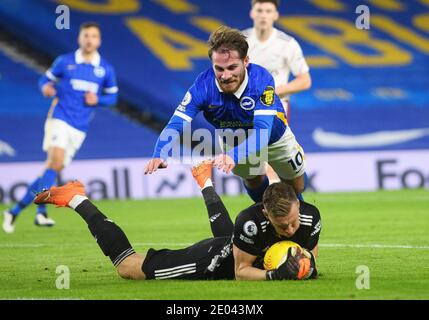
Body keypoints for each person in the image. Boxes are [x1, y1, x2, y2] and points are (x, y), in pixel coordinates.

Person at [34, 161, 320, 281]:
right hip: (213, 262)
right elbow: (240, 271)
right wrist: (273, 275)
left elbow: (313, 264)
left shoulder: (310, 216)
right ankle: (75, 198)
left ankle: (204, 178)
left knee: (236, 239)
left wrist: (306, 268)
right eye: (284, 227)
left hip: (237, 245)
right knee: (127, 267)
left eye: (294, 222)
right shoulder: (250, 221)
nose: (292, 230)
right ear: (265, 213)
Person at [144, 25, 307, 204]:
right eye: (219, 69)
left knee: (296, 186)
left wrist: (233, 156)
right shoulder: (202, 87)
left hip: (274, 135)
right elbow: (177, 122)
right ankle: (266, 215)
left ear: (246, 61)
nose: (225, 75)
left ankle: (297, 210)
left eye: (232, 67)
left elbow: (262, 133)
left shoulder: (261, 80)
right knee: (253, 179)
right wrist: (160, 151)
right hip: (234, 138)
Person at [2, 22, 118, 234]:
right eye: (86, 35)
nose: (89, 39)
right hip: (59, 118)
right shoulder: (65, 62)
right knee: (54, 162)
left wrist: (98, 99)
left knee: (51, 170)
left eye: (93, 36)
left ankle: (15, 211)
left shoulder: (105, 69)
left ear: (99, 41)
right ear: (80, 38)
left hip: (79, 127)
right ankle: (41, 213)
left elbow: (113, 97)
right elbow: (44, 80)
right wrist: (45, 87)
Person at [243, 0, 311, 121]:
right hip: (244, 108)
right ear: (252, 13)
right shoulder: (240, 41)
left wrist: (273, 93)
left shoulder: (287, 44)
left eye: (268, 11)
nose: (263, 15)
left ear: (275, 15)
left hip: (275, 110)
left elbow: (305, 81)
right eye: (259, 10)